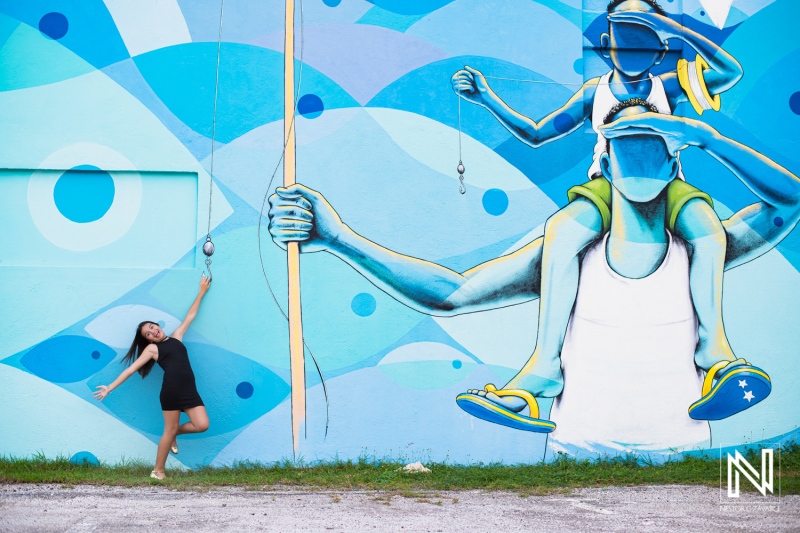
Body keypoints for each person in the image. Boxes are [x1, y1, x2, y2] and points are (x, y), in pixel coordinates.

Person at [267, 101, 800, 452]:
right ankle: (537, 376)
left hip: (683, 461)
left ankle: (719, 358)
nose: (638, 159)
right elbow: (451, 294)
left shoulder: (699, 242)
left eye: (653, 146)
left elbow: (790, 199)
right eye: (625, 146)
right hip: (576, 460)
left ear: (673, 164)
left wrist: (705, 135)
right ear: (604, 163)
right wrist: (340, 239)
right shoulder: (563, 250)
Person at [450, 0, 748, 424]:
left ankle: (715, 354)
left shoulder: (670, 86)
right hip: (608, 183)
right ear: (607, 44)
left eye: (643, 34)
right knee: (560, 233)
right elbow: (537, 134)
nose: (633, 43)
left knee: (709, 230)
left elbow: (730, 73)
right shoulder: (596, 92)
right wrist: (487, 99)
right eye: (624, 33)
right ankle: (543, 367)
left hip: (667, 182)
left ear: (660, 46)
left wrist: (670, 28)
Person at [94, 274, 212, 479]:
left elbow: (190, 316)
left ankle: (174, 435)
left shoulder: (176, 337)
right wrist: (110, 388)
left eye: (152, 327)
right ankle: (158, 471)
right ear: (147, 340)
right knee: (169, 428)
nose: (153, 332)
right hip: (172, 392)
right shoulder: (152, 349)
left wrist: (201, 291)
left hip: (189, 390)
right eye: (148, 334)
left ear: (157, 325)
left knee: (202, 425)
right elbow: (130, 370)